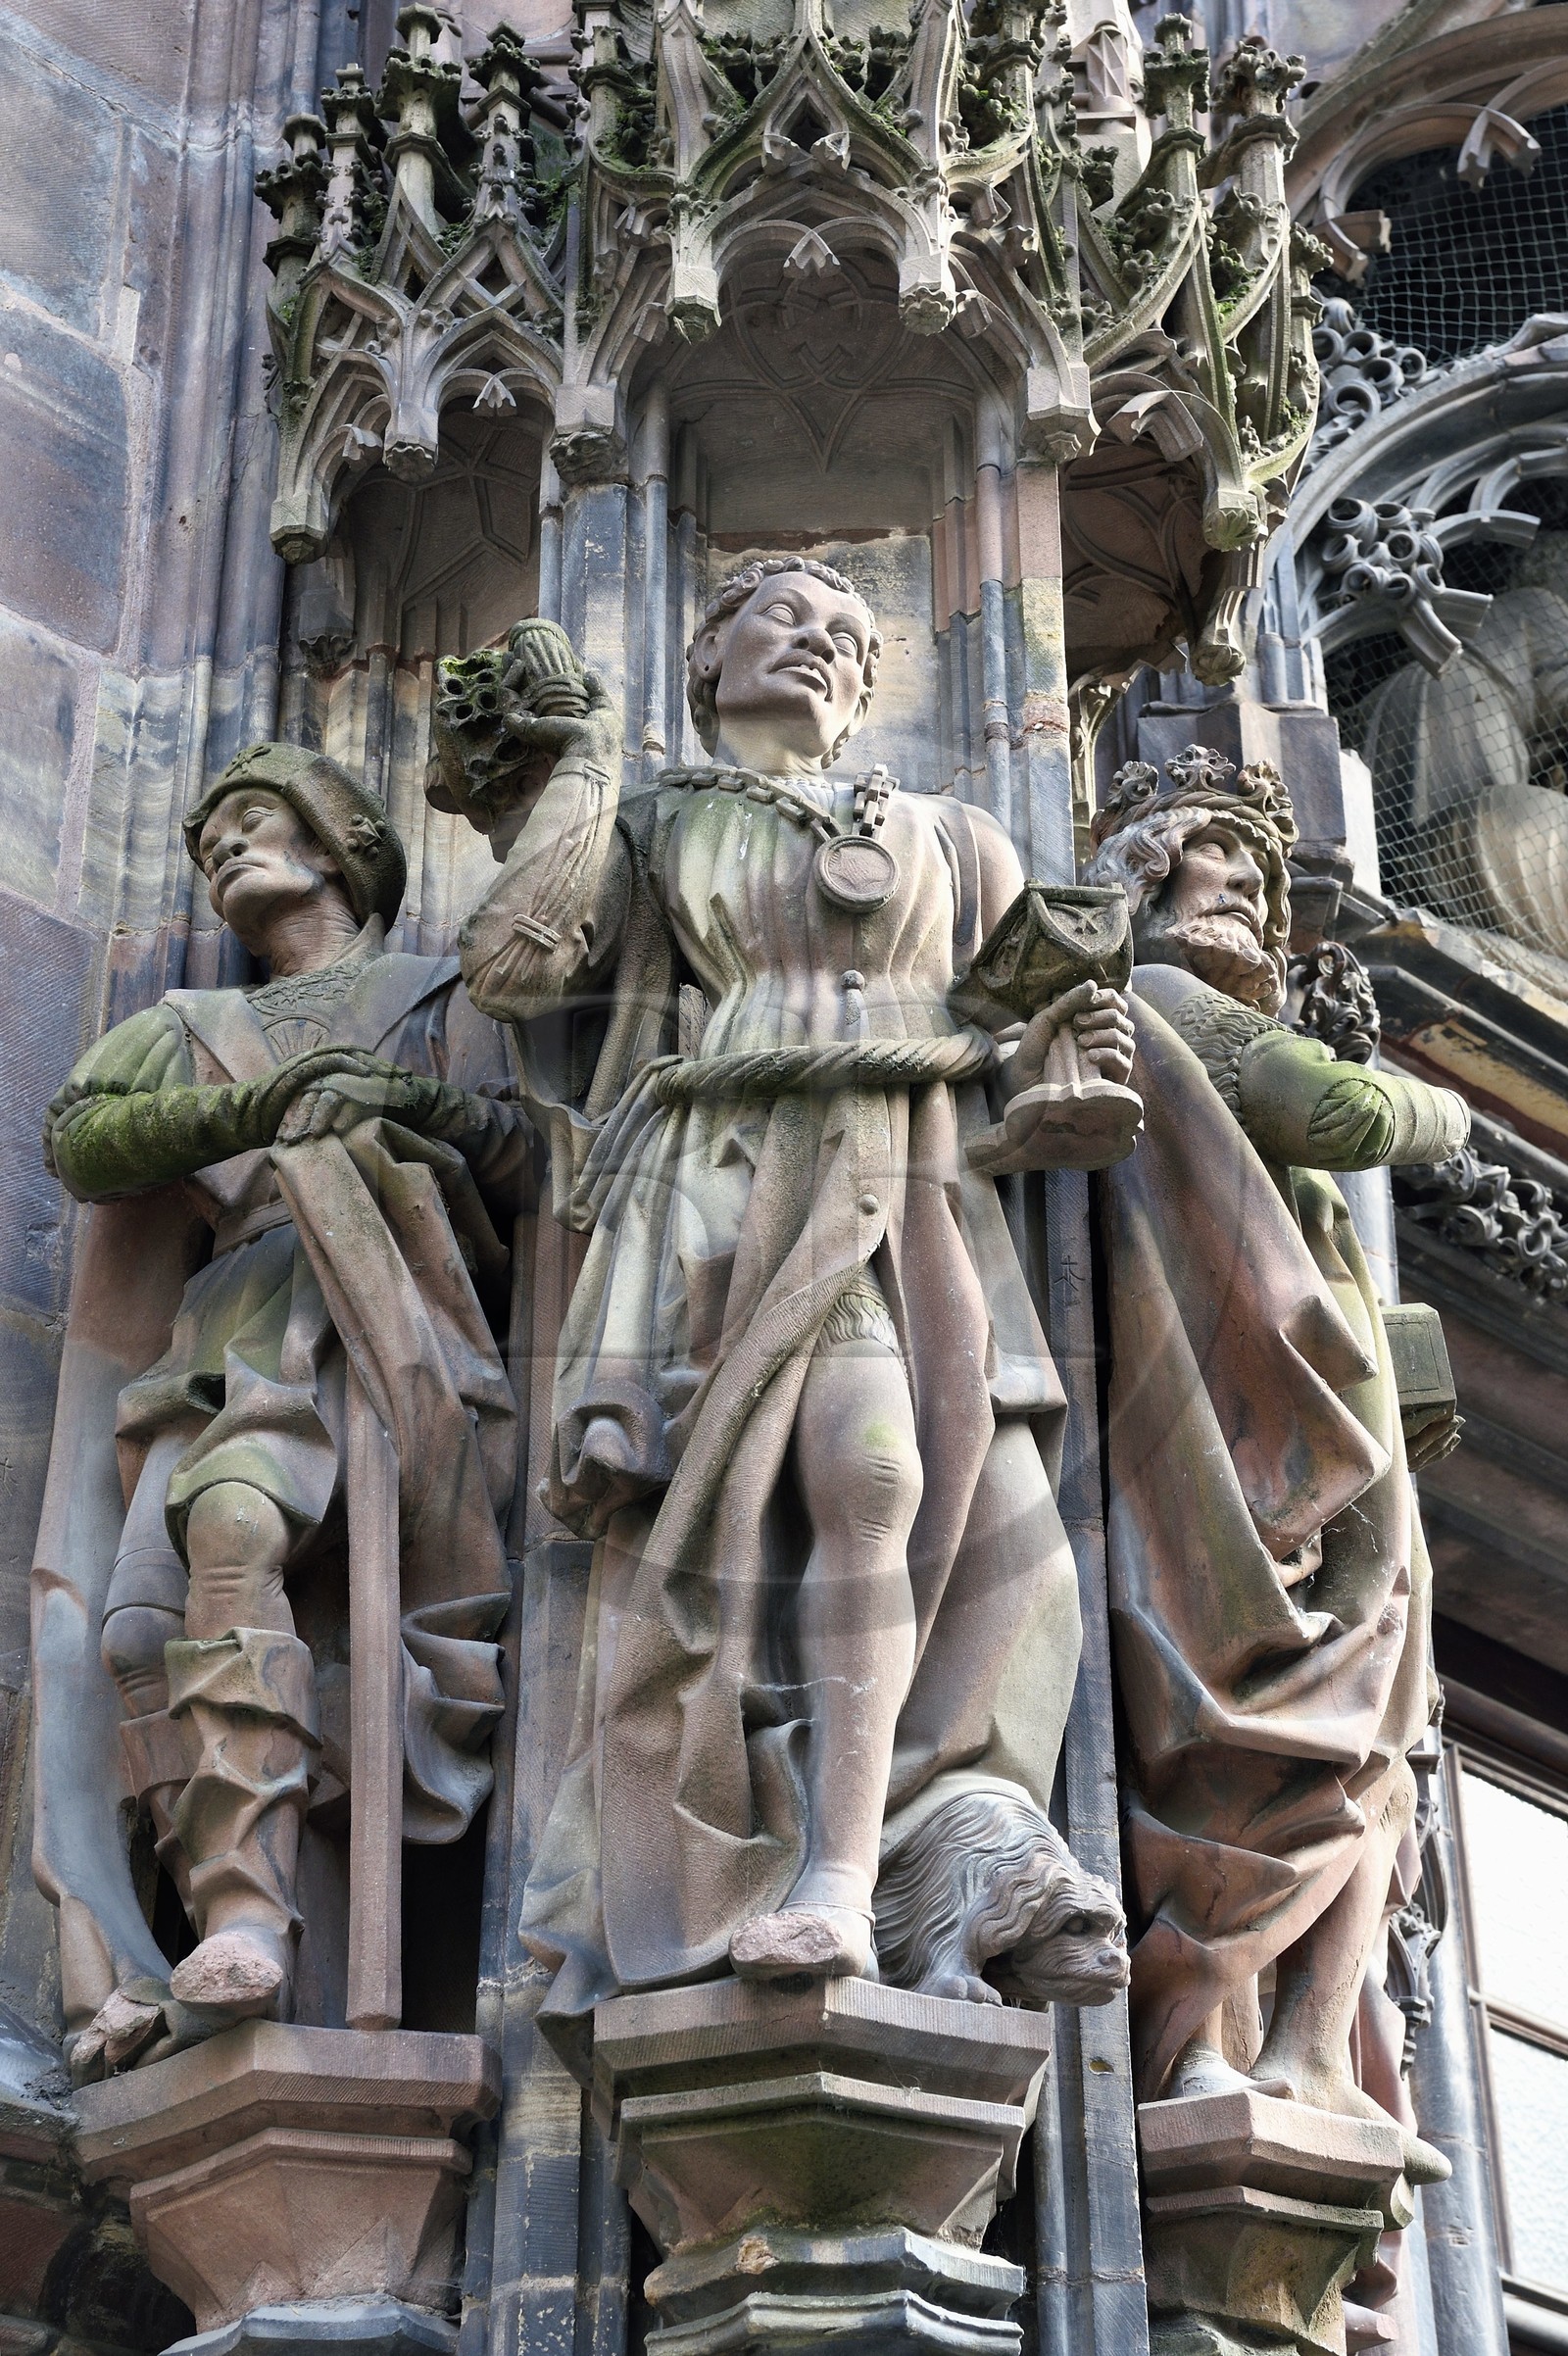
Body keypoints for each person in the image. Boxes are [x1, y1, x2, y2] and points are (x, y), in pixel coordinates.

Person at [446, 560, 1133, 2025]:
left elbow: (1043, 1034)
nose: (818, 647)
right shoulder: (661, 822)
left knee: (886, 1476)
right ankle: (768, 1855)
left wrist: (1078, 1072)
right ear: (706, 656)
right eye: (781, 620)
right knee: (808, 1495)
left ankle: (842, 1872)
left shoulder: (954, 836)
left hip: (908, 1177)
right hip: (723, 1180)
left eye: (845, 637)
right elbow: (511, 971)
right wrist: (578, 767)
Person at [33, 742, 529, 2077]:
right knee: (145, 1620)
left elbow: (531, 1145)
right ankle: (197, 1921)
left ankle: (249, 1914)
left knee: (238, 1533)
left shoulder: (443, 998)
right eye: (210, 843)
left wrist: (405, 1104)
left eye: (256, 823)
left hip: (403, 1330)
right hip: (244, 1319)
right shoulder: (183, 1029)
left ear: (341, 845)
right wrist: (257, 1107)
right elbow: (84, 1139)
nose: (226, 850)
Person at [1083, 747, 1467, 2166]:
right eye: (1211, 864)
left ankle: (1296, 2044)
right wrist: (1447, 1105)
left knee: (1372, 1754)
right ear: (1142, 875)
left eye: (1256, 877)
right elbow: (1338, 1111)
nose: (1240, 893)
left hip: (1316, 1434)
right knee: (1303, 1738)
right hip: (1241, 1446)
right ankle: (1225, 2033)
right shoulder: (1167, 1001)